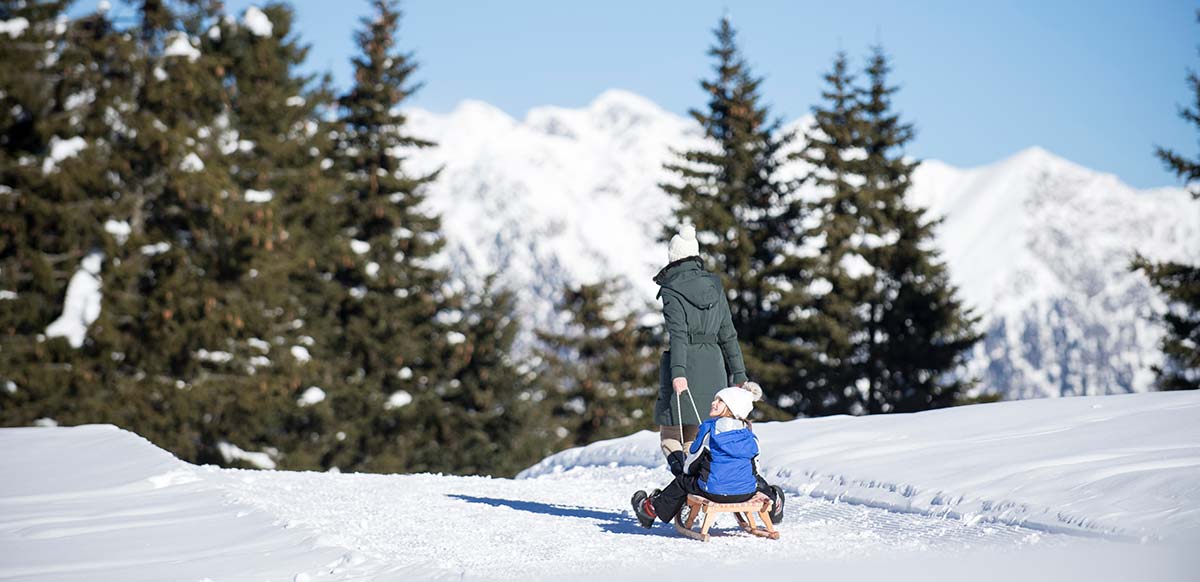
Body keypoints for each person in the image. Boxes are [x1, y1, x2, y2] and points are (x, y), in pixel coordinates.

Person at [652, 225, 784, 522]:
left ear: (673, 257)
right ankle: (750, 493)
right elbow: (728, 334)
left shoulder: (672, 290)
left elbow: (678, 336)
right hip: (715, 367)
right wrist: (738, 373)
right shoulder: (714, 285)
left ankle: (691, 491)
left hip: (685, 366)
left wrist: (678, 372)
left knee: (671, 436)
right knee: (706, 436)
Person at [632, 386, 762, 527]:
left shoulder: (709, 430)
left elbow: (693, 460)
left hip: (713, 492)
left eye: (720, 401)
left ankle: (649, 510)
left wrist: (689, 473)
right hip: (746, 493)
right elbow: (755, 466)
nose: (714, 403)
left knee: (683, 481)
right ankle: (774, 503)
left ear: (732, 407)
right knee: (755, 479)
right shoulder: (750, 435)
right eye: (715, 400)